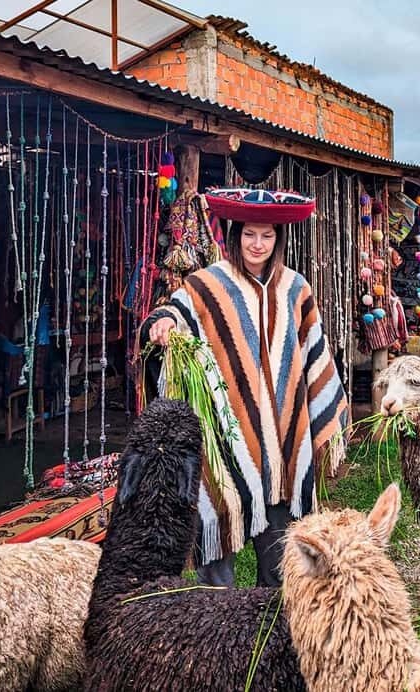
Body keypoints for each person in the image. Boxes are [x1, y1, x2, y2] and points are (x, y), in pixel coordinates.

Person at [140, 188, 348, 587]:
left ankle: (272, 635)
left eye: (267, 235)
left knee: (283, 564)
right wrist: (162, 322)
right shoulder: (208, 284)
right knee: (217, 555)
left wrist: (322, 424)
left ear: (278, 239)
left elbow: (313, 353)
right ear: (235, 235)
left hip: (283, 449)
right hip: (225, 440)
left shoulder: (296, 288)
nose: (257, 244)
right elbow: (173, 310)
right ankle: (218, 635)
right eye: (250, 234)